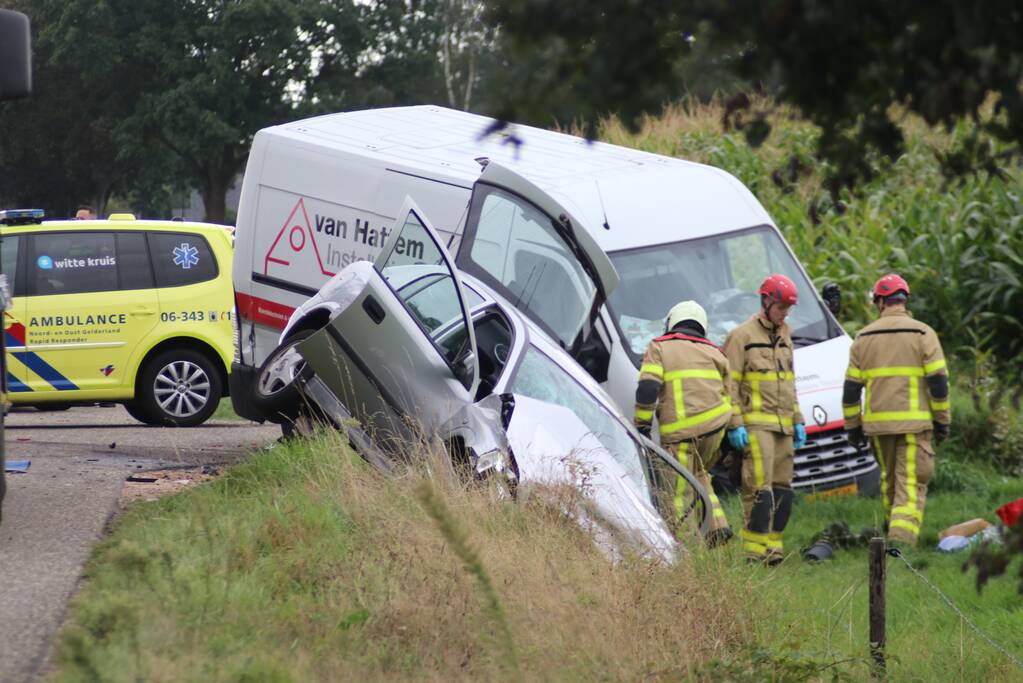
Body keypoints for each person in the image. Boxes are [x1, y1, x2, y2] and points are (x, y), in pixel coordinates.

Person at [842, 273, 949, 548]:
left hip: (878, 428)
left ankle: (891, 537)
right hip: (915, 426)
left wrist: (853, 427)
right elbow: (938, 383)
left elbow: (851, 390)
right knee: (910, 485)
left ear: (880, 302)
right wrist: (942, 421)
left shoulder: (863, 338)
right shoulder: (923, 333)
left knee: (890, 483)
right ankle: (901, 543)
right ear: (904, 300)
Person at [635, 300, 734, 546]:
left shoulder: (660, 347)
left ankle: (684, 547)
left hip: (680, 433)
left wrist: (642, 427)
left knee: (677, 492)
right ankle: (716, 526)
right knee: (699, 473)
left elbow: (648, 387)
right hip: (714, 431)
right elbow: (729, 395)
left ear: (671, 323)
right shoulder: (716, 353)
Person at [723, 274, 806, 564]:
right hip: (756, 425)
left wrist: (797, 418)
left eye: (788, 309)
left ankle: (773, 550)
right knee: (759, 490)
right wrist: (735, 424)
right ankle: (753, 553)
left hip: (784, 423)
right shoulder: (741, 336)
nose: (785, 314)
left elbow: (790, 380)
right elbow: (729, 384)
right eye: (781, 307)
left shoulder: (786, 334)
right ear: (766, 301)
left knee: (783, 490)